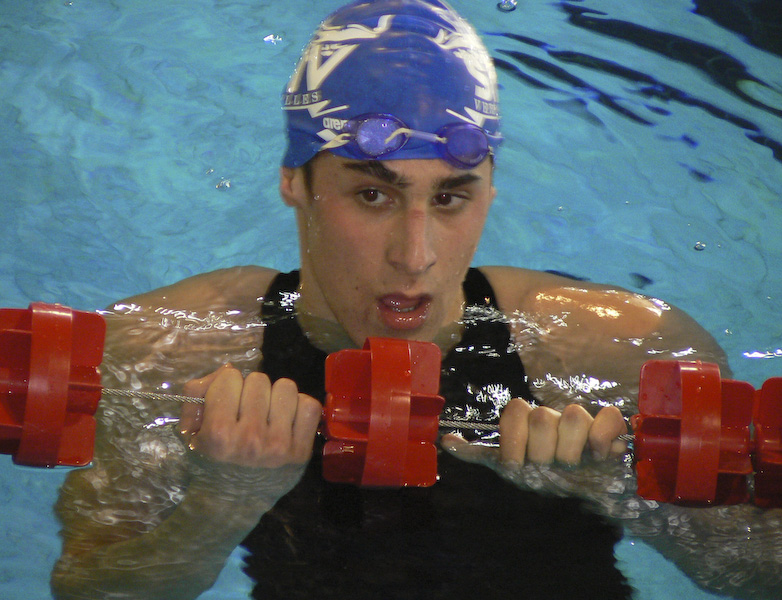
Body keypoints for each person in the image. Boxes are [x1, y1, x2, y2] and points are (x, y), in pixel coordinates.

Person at [50, 1, 729, 599]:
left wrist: (622, 493)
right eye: (373, 194)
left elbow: (768, 573)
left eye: (451, 196)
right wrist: (224, 502)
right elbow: (89, 587)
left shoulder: (614, 353)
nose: (416, 254)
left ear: (491, 191)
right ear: (294, 181)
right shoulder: (176, 351)